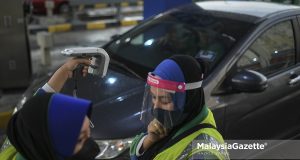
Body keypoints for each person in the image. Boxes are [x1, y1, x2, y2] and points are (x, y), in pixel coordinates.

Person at [130, 55, 229, 160]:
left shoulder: (205, 153)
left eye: (165, 100)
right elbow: (134, 151)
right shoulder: (177, 122)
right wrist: (150, 140)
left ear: (187, 100)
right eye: (154, 97)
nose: (156, 107)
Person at [0, 58, 101, 160]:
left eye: (88, 134)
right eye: (79, 139)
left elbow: (37, 110)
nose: (92, 146)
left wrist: (65, 70)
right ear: (48, 144)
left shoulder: (24, 139)